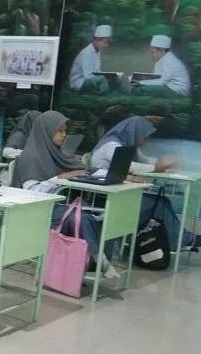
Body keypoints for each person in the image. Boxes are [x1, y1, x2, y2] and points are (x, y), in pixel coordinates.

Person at [11, 111, 120, 278]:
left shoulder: (58, 154)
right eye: (59, 131)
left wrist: (119, 175)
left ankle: (91, 263)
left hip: (58, 205)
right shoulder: (30, 157)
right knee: (81, 218)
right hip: (36, 210)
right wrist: (60, 178)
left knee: (101, 215)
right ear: (46, 131)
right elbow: (31, 192)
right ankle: (101, 261)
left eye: (65, 131)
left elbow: (87, 170)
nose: (64, 135)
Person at [91, 116, 201, 249]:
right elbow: (131, 165)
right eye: (144, 136)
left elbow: (144, 160)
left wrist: (163, 163)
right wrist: (155, 167)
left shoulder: (127, 144)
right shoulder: (111, 145)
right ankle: (183, 240)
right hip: (107, 198)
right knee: (159, 204)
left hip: (120, 193)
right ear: (135, 132)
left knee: (162, 201)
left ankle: (181, 240)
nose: (146, 140)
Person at [69, 25, 114, 94]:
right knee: (103, 79)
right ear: (97, 40)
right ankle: (104, 93)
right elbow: (87, 75)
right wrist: (103, 78)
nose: (107, 45)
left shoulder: (97, 51)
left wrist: (107, 76)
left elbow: (96, 71)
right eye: (105, 42)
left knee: (113, 78)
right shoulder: (86, 53)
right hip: (79, 82)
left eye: (108, 42)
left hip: (91, 79)